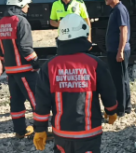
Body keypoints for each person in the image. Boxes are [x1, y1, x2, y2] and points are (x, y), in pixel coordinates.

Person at [33, 13, 118, 153]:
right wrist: (111, 110)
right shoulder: (95, 64)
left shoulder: (49, 67)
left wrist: (40, 129)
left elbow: (42, 102)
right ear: (83, 34)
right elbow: (108, 91)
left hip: (62, 134)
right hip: (89, 132)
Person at [0, 0, 52, 139]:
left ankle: (20, 131)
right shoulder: (21, 21)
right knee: (37, 100)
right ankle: (42, 132)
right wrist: (35, 62)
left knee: (16, 102)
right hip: (25, 70)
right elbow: (25, 47)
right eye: (27, 5)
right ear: (20, 4)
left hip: (11, 71)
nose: (28, 8)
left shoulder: (1, 22)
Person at [104, 0, 132, 117]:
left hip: (117, 50)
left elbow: (123, 30)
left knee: (118, 80)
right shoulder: (117, 9)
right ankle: (127, 106)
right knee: (123, 79)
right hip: (117, 49)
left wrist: (119, 51)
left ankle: (120, 109)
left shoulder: (119, 10)